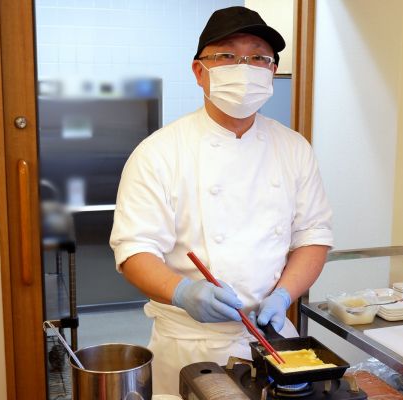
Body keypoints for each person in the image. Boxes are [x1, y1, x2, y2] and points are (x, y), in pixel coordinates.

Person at [110, 6, 333, 396]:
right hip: (190, 348)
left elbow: (313, 236)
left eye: (259, 57)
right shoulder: (159, 152)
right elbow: (134, 251)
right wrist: (182, 291)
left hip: (274, 340)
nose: (244, 67)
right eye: (227, 55)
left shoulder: (294, 148)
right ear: (200, 72)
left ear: (271, 73)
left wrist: (284, 295)